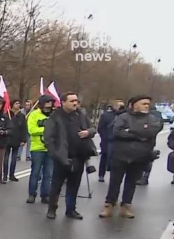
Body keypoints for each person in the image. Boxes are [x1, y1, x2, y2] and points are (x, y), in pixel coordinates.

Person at [99, 95, 162, 219]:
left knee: (131, 182)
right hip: (120, 155)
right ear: (134, 105)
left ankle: (126, 205)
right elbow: (117, 131)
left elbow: (151, 132)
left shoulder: (152, 119)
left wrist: (129, 130)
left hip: (140, 156)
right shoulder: (123, 117)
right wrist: (138, 136)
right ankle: (109, 204)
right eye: (144, 103)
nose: (147, 106)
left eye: (148, 104)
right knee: (114, 182)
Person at [43, 92, 97, 220]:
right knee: (56, 185)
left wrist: (88, 132)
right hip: (62, 157)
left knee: (74, 185)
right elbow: (48, 138)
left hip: (79, 156)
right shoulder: (55, 116)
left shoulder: (81, 114)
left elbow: (93, 128)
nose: (75, 103)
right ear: (63, 102)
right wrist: (55, 154)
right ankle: (52, 209)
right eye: (72, 101)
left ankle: (71, 209)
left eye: (76, 101)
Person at [26, 94, 56, 204]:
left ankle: (45, 195)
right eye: (47, 103)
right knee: (35, 172)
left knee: (48, 174)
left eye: (51, 103)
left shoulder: (54, 115)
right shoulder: (34, 115)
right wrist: (47, 129)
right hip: (37, 148)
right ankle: (32, 194)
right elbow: (32, 130)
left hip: (51, 148)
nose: (49, 105)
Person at [96, 100, 124, 182]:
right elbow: (101, 128)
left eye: (122, 106)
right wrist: (106, 137)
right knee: (104, 157)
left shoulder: (124, 116)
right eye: (119, 106)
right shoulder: (106, 115)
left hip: (119, 141)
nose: (121, 108)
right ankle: (101, 175)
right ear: (114, 106)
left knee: (117, 160)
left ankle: (114, 176)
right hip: (107, 141)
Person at [2, 99, 27, 183]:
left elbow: (24, 128)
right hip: (7, 138)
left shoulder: (21, 116)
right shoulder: (7, 114)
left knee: (14, 158)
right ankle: (5, 175)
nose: (18, 105)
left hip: (17, 138)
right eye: (16, 103)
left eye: (19, 103)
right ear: (12, 105)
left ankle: (12, 174)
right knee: (6, 158)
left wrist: (23, 140)